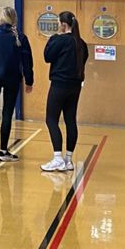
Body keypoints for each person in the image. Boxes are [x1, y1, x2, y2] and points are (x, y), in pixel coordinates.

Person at [0, 7, 34, 162]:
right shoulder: (21, 37)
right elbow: (28, 62)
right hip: (13, 78)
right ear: (14, 19)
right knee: (7, 113)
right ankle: (3, 150)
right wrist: (29, 80)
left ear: (1, 18)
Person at [40, 11, 89, 172]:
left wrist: (53, 38)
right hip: (75, 86)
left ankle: (57, 158)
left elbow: (47, 56)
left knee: (51, 119)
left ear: (63, 24)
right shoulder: (81, 43)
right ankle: (68, 160)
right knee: (70, 120)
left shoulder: (58, 40)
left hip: (59, 84)